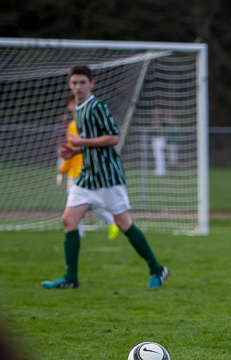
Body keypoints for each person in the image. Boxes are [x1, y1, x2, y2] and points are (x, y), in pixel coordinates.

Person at [42, 65, 170, 289]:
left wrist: (82, 143)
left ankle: (157, 269)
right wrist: (75, 151)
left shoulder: (97, 107)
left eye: (82, 82)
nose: (78, 87)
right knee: (68, 220)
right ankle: (71, 278)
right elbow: (92, 143)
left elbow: (112, 138)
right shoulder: (78, 109)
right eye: (74, 83)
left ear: (92, 83)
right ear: (70, 85)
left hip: (107, 177)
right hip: (87, 176)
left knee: (123, 225)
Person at [57, 94, 119, 240]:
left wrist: (62, 171)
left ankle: (105, 223)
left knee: (79, 203)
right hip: (82, 169)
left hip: (83, 170)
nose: (73, 106)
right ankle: (83, 231)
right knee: (87, 202)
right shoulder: (77, 124)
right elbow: (71, 151)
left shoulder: (79, 125)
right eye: (72, 104)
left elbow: (77, 150)